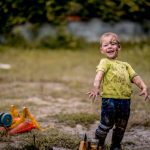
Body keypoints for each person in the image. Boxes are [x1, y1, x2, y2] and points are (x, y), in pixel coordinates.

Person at [87, 32, 149, 150]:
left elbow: (135, 77)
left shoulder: (126, 65)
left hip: (125, 101)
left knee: (121, 126)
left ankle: (115, 145)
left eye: (113, 43)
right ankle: (98, 144)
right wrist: (96, 87)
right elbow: (99, 75)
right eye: (105, 45)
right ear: (101, 50)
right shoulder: (105, 62)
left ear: (119, 47)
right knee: (106, 124)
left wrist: (143, 86)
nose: (109, 46)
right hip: (110, 100)